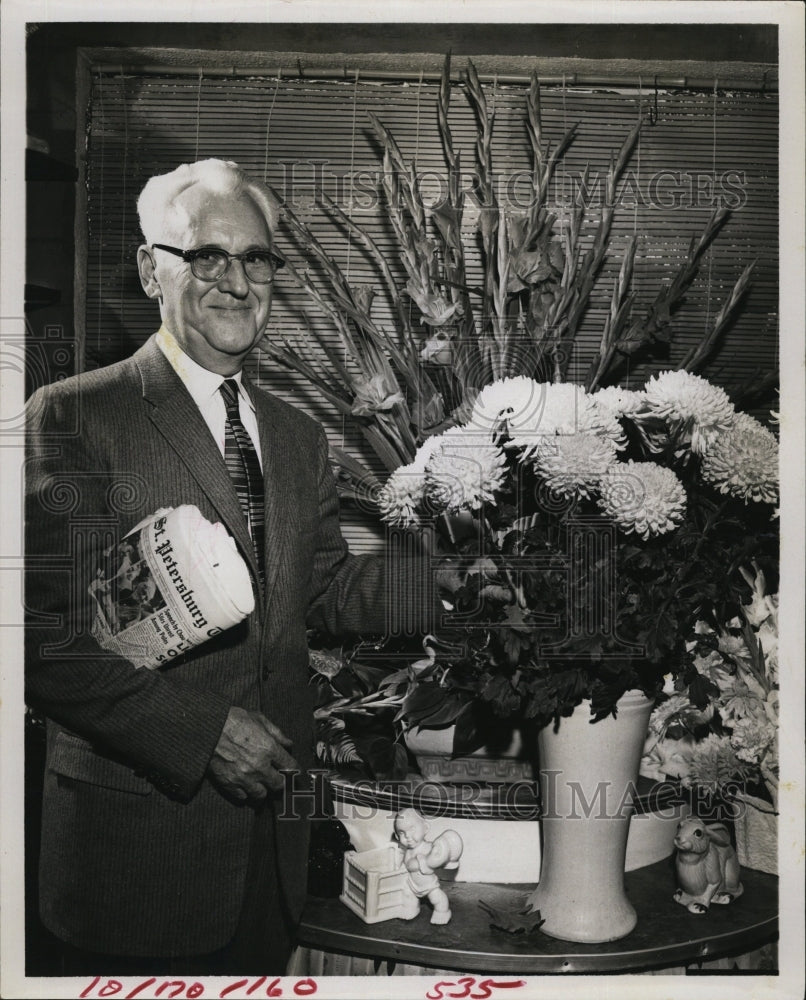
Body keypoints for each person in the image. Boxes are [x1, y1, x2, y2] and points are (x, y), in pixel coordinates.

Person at [25, 158, 434, 975]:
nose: (237, 282)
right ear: (152, 270)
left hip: (270, 856)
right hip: (135, 858)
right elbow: (37, 638)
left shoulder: (295, 435)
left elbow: (320, 588)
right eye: (207, 256)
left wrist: (447, 584)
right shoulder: (72, 416)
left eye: (256, 259)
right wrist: (202, 733)